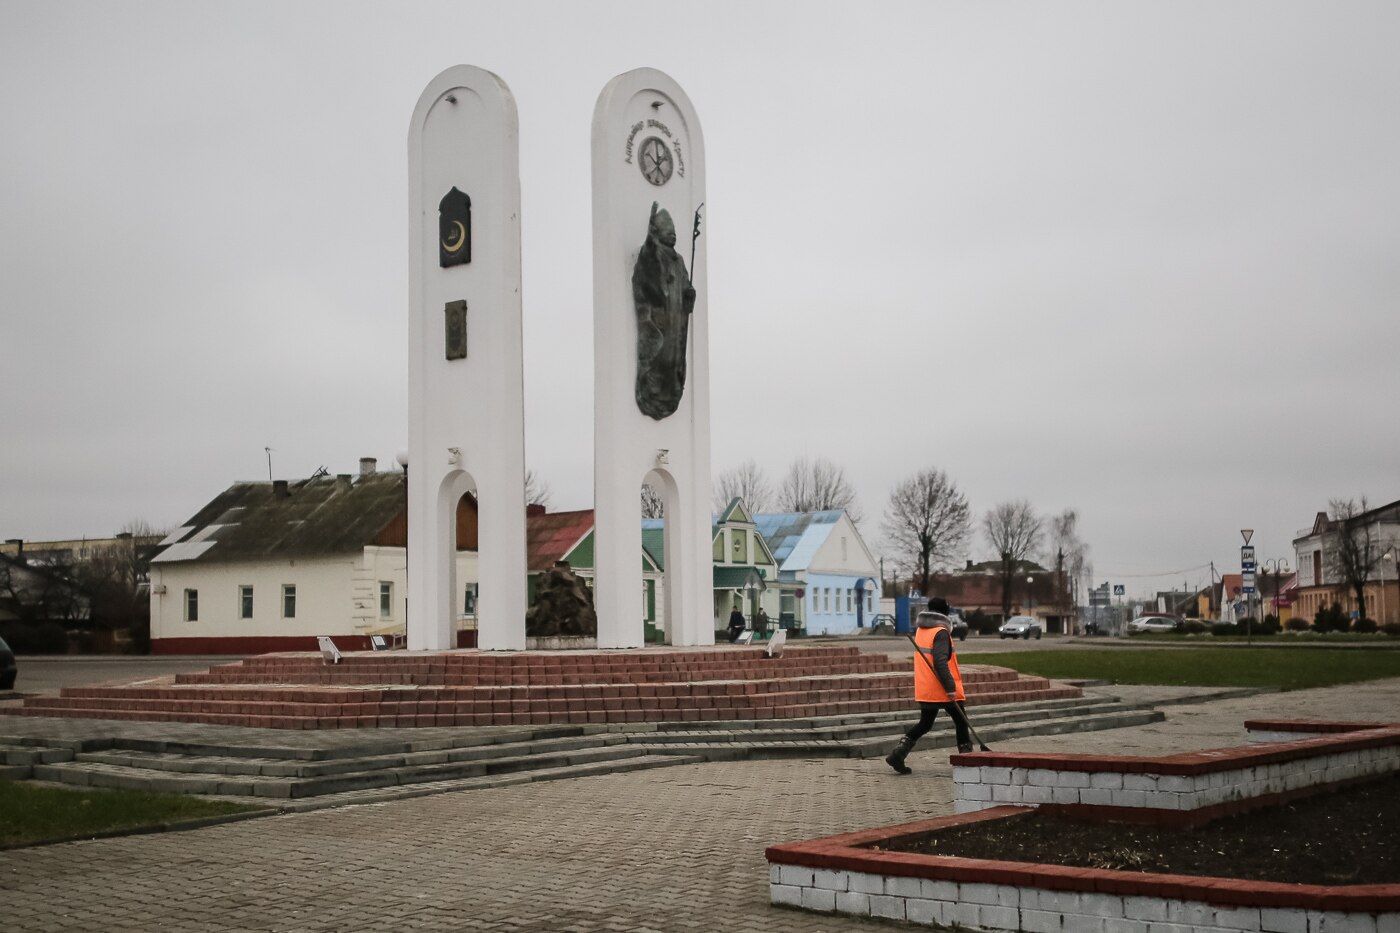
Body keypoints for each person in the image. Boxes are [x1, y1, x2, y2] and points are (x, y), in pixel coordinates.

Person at [886, 597, 971, 775]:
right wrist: (950, 687)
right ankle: (968, 762)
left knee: (925, 724)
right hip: (942, 687)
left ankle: (898, 754)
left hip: (927, 687)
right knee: (961, 722)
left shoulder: (922, 630)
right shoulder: (940, 632)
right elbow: (940, 662)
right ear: (945, 612)